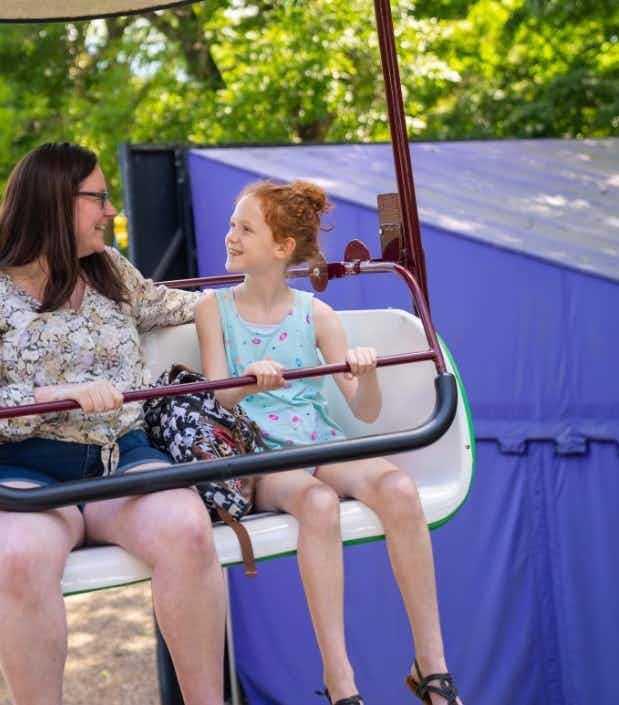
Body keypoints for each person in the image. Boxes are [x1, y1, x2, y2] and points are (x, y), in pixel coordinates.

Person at [0, 142, 225, 705]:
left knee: (188, 531)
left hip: (121, 455)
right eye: (99, 198)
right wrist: (55, 396)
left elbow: (183, 306)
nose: (111, 211)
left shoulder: (109, 272)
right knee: (23, 556)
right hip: (20, 467)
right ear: (56, 203)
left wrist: (279, 307)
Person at [194, 180, 463, 705]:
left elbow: (364, 411)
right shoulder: (214, 309)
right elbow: (217, 396)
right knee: (317, 505)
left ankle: (431, 664)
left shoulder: (316, 315)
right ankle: (340, 679)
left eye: (244, 228)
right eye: (232, 224)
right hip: (264, 452)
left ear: (282, 247)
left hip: (319, 441)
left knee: (399, 490)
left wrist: (367, 373)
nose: (230, 235)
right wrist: (247, 379)